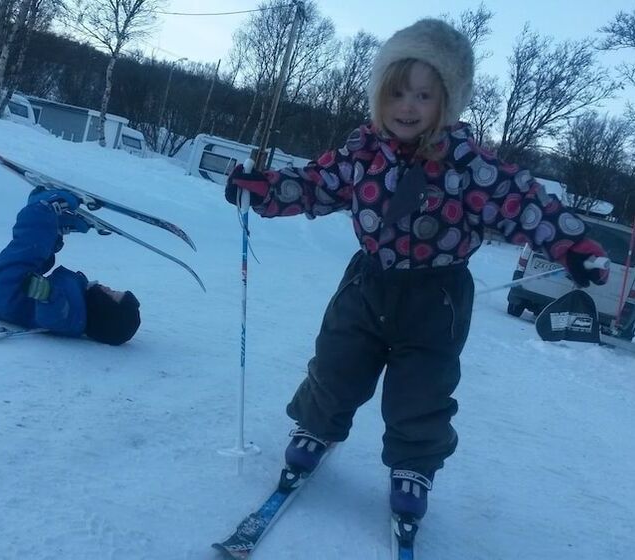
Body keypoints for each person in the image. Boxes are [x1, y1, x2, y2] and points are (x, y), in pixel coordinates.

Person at [225, 18, 608, 523]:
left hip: (436, 298)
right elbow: (315, 184)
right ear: (380, 96)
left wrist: (572, 246)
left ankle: (413, 465)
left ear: (446, 103)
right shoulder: (361, 152)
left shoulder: (469, 165)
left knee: (422, 391)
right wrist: (266, 189)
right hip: (367, 286)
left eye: (424, 96)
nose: (408, 106)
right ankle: (316, 427)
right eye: (398, 92)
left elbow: (522, 203)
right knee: (336, 365)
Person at [0, 187, 141, 346]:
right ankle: (54, 229)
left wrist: (47, 294)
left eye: (111, 293)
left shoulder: (69, 319)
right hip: (10, 293)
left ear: (104, 311)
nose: (107, 288)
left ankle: (42, 208)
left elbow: (51, 316)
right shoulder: (81, 305)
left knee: (31, 246)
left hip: (4, 292)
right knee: (44, 259)